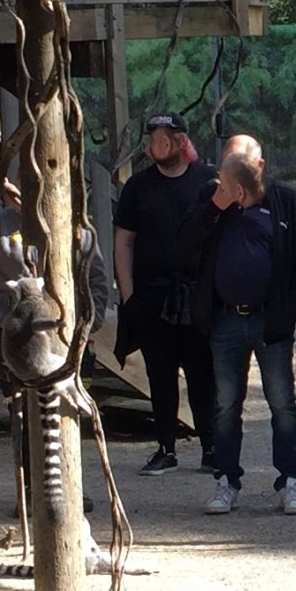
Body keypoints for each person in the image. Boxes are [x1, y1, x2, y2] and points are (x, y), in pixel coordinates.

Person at [189, 140, 296, 516]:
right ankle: (226, 481)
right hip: (225, 319)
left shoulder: (286, 202)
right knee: (226, 406)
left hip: (270, 321)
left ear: (257, 167)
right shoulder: (214, 200)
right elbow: (183, 244)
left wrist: (286, 315)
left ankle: (290, 482)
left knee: (282, 403)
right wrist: (215, 206)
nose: (225, 183)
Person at [113, 112, 216, 475]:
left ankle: (211, 447)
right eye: (154, 137)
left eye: (167, 136)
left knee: (204, 373)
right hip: (152, 297)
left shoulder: (208, 180)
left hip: (198, 296)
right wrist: (129, 296)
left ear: (182, 139)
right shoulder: (137, 187)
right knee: (160, 374)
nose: (160, 143)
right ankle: (165, 447)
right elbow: (124, 242)